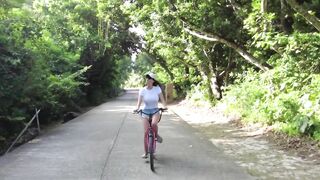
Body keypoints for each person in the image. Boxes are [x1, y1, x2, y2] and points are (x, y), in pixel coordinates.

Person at [134, 72, 167, 158]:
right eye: (147, 78)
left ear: (153, 80)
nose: (147, 80)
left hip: (155, 111)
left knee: (153, 124)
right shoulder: (142, 90)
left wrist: (165, 106)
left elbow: (162, 99)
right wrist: (137, 108)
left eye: (149, 78)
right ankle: (145, 152)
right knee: (146, 133)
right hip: (145, 112)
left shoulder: (157, 89)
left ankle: (156, 136)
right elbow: (139, 102)